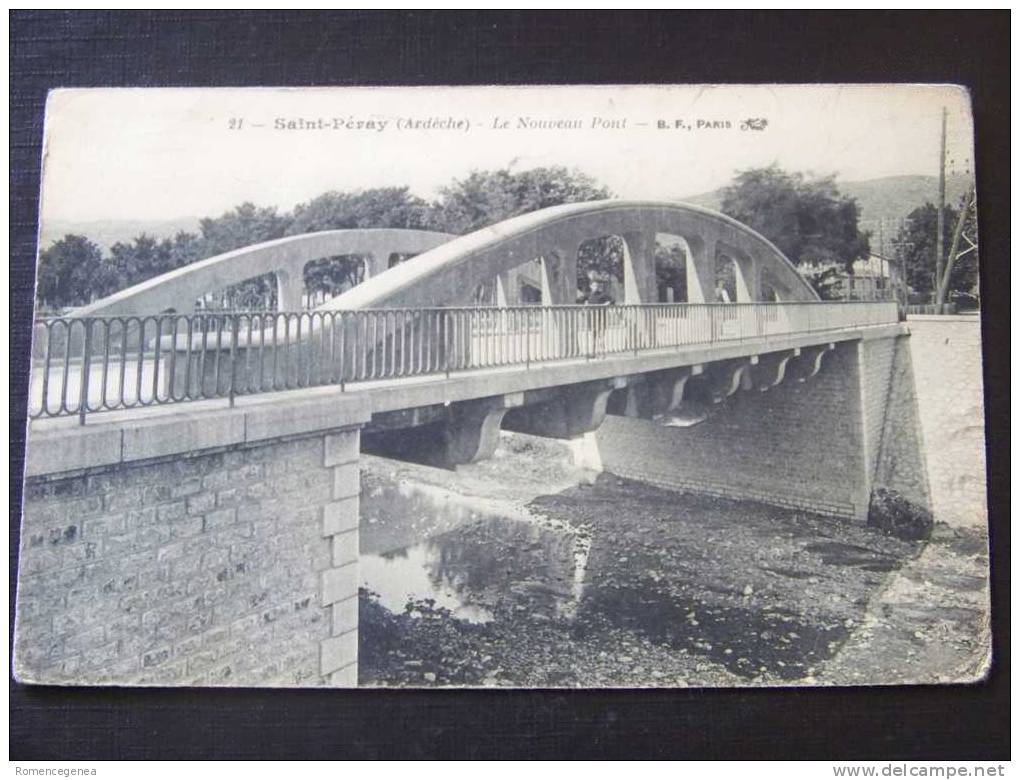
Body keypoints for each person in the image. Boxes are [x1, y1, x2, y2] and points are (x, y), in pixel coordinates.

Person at [585, 278, 614, 353]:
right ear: (590, 286)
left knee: (601, 335)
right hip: (591, 318)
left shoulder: (602, 294)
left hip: (601, 317)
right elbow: (578, 301)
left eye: (597, 286)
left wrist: (607, 303)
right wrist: (585, 303)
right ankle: (593, 352)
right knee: (593, 336)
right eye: (594, 285)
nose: (596, 287)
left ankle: (602, 352)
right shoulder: (588, 295)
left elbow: (612, 300)